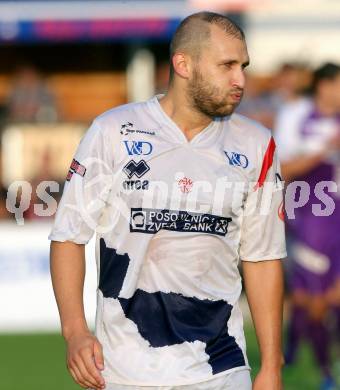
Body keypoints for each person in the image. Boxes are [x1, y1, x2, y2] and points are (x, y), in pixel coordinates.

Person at [49, 12, 286, 390]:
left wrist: (272, 365)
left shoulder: (257, 144)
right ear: (183, 64)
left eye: (243, 66)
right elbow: (68, 235)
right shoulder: (112, 131)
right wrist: (75, 331)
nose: (240, 79)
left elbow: (262, 257)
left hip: (221, 368)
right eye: (227, 65)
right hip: (123, 369)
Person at [275, 63, 340, 390]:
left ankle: (298, 358)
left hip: (336, 217)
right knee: (312, 299)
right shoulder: (298, 116)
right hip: (311, 214)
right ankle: (325, 373)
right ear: (324, 86)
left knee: (325, 296)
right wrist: (325, 149)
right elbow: (282, 169)